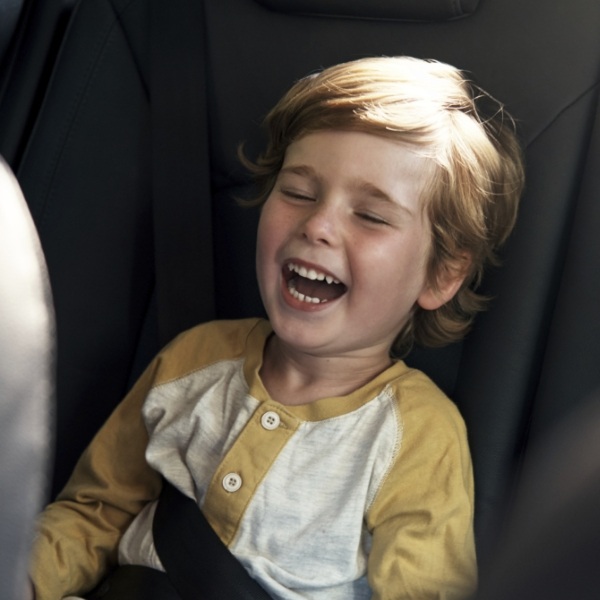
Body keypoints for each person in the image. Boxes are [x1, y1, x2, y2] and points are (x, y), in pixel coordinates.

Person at [27, 56, 524, 600]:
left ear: (443, 273)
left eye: (371, 216)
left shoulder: (418, 435)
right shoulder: (194, 358)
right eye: (299, 193)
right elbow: (96, 511)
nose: (318, 226)